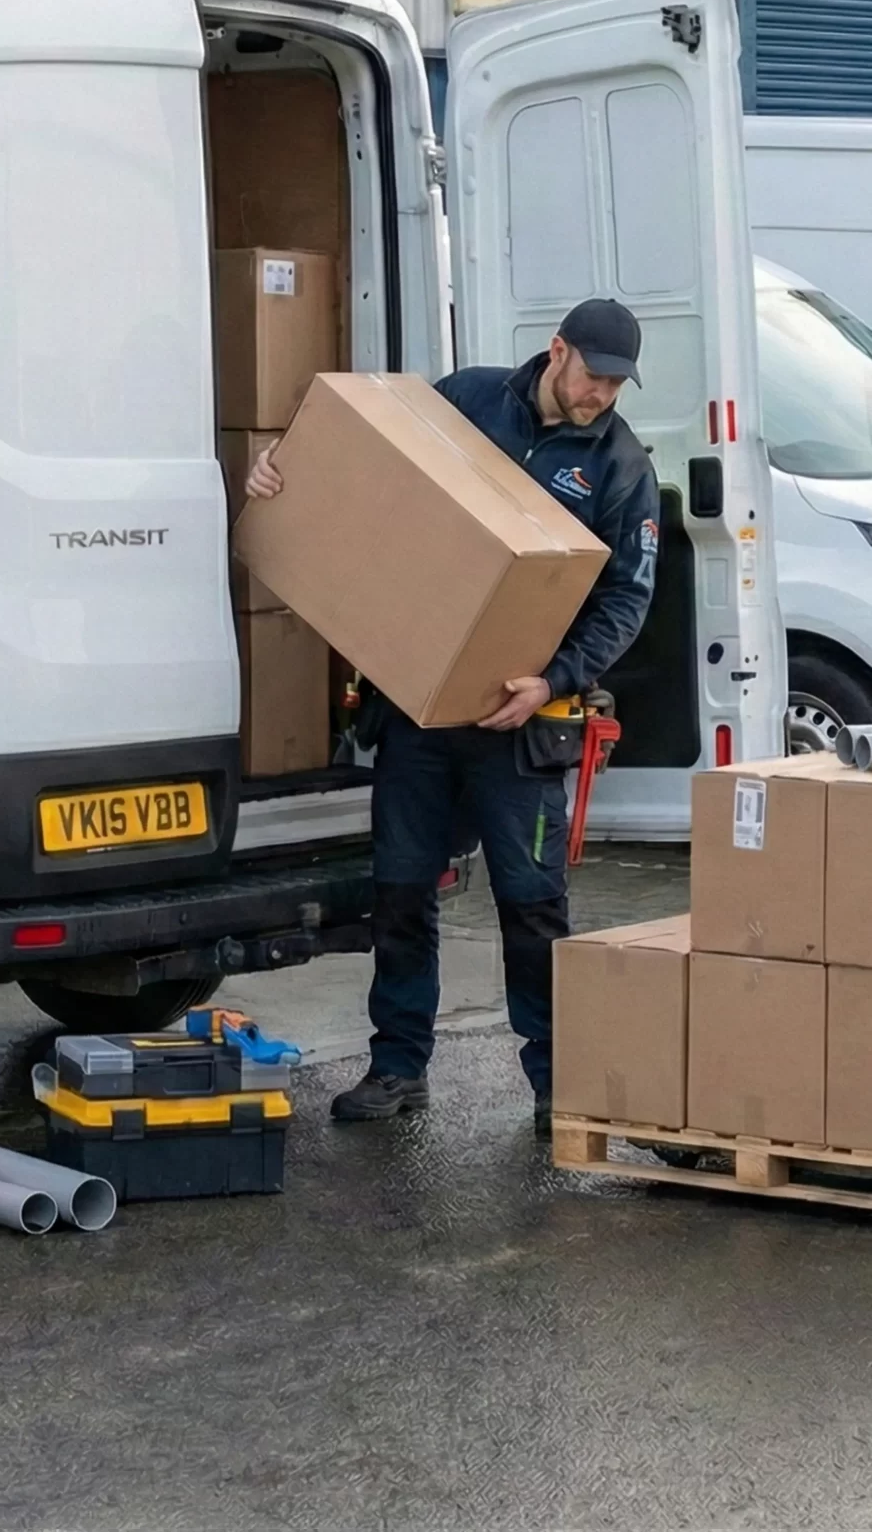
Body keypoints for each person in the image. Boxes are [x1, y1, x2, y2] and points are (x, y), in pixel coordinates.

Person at [243, 299, 660, 1137]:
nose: (601, 395)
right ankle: (398, 1067)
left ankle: (554, 1083)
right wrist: (281, 475)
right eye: (592, 374)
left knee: (531, 903)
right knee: (400, 891)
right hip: (419, 706)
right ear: (557, 351)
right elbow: (379, 467)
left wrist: (552, 679)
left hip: (525, 720)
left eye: (616, 383)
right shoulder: (468, 400)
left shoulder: (620, 467)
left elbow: (627, 598)